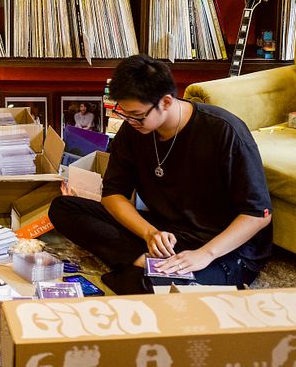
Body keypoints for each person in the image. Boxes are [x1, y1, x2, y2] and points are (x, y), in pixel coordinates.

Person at [49, 55, 272, 294]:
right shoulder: (133, 129)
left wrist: (204, 255)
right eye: (124, 113)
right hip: (167, 231)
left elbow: (258, 214)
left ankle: (144, 268)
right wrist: (149, 233)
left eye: (137, 114)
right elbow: (113, 194)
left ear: (165, 102)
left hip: (222, 246)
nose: (130, 121)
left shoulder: (225, 131)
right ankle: (146, 262)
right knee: (63, 208)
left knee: (149, 287)